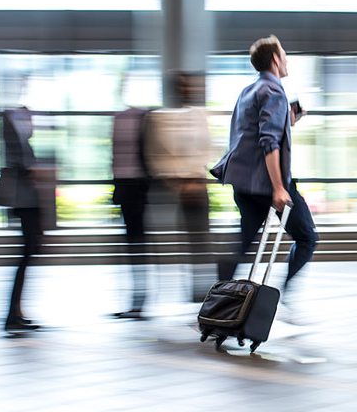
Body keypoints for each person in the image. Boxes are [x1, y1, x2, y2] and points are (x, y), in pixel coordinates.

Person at [210, 35, 318, 323]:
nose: (287, 60)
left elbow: (251, 132)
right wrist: (279, 188)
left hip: (243, 182)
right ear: (274, 59)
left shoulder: (248, 90)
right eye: (284, 54)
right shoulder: (274, 91)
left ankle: (215, 305)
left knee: (242, 241)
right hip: (268, 183)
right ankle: (283, 298)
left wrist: (289, 120)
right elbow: (268, 141)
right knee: (307, 237)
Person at [144, 72, 214, 302]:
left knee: (200, 242)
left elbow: (206, 149)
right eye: (181, 86)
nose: (186, 90)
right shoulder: (157, 118)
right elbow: (153, 154)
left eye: (188, 86)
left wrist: (193, 178)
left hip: (195, 186)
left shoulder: (199, 116)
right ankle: (163, 291)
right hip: (168, 186)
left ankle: (201, 292)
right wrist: (174, 180)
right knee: (164, 243)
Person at [0, 106, 43, 332]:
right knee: (28, 252)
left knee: (28, 253)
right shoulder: (16, 137)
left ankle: (16, 312)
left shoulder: (21, 141)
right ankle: (13, 313)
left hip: (25, 200)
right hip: (25, 201)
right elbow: (24, 165)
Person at [110, 104, 151, 320]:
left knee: (138, 245)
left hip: (138, 189)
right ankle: (137, 302)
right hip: (129, 190)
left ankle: (139, 301)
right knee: (135, 245)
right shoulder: (122, 118)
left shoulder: (144, 118)